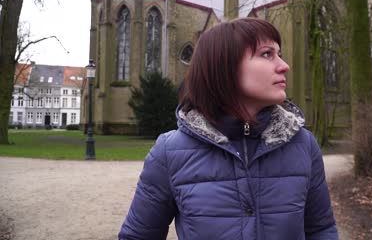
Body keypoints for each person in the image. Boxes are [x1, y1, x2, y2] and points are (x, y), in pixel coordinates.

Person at [118, 17, 339, 240]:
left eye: (279, 54)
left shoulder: (303, 145)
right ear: (224, 67)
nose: (284, 66)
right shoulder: (169, 152)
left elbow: (321, 231)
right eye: (266, 54)